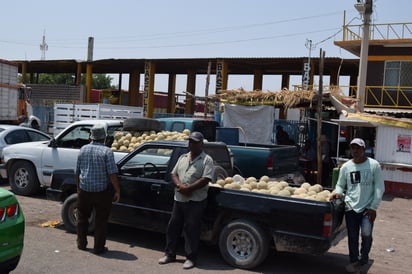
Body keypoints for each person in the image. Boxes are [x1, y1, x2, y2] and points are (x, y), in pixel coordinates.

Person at [158, 131, 214, 270]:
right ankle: (169, 254)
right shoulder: (183, 157)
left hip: (196, 201)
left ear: (201, 144)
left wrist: (190, 189)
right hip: (179, 199)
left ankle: (190, 258)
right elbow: (174, 173)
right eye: (190, 142)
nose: (192, 144)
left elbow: (206, 178)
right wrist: (179, 186)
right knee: (173, 227)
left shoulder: (207, 160)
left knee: (191, 230)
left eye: (195, 142)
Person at [330, 138, 385, 273]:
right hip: (351, 207)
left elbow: (379, 187)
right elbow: (340, 184)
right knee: (353, 237)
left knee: (366, 234)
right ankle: (354, 262)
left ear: (363, 149)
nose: (355, 150)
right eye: (353, 148)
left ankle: (364, 258)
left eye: (358, 148)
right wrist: (337, 192)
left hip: (367, 209)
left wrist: (373, 207)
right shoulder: (346, 167)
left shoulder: (374, 165)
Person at [75, 124, 121, 255]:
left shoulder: (83, 149)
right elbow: (112, 174)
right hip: (101, 192)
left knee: (82, 218)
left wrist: (78, 188)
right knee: (101, 221)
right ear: (104, 138)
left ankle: (81, 244)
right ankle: (98, 247)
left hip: (84, 190)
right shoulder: (107, 151)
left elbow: (77, 171)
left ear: (91, 137)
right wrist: (117, 190)